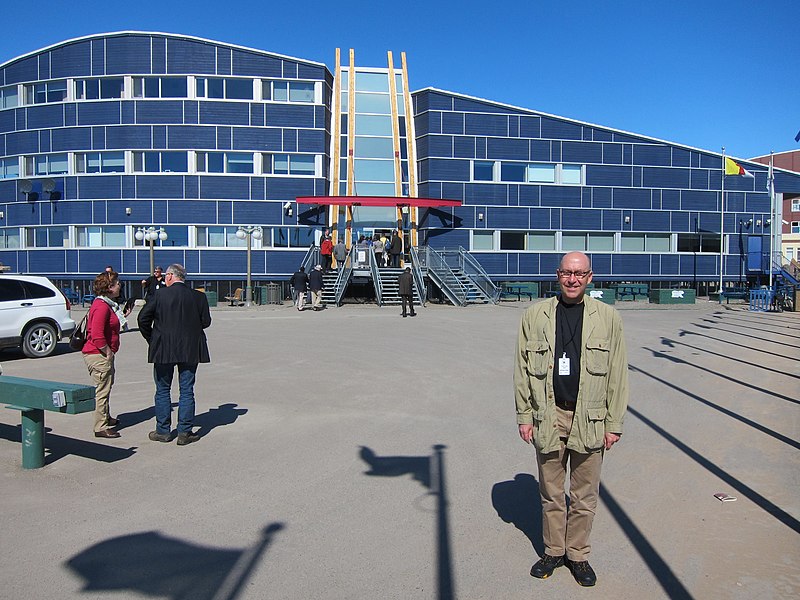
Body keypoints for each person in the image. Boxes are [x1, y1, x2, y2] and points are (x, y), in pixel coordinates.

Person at [513, 251, 629, 587]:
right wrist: (525, 416)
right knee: (551, 493)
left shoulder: (608, 318)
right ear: (557, 275)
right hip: (548, 414)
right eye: (566, 272)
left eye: (579, 273)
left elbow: (618, 375)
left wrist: (614, 423)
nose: (573, 279)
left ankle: (577, 555)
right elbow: (521, 370)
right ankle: (553, 550)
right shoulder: (535, 316)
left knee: (584, 495)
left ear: (590, 277)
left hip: (590, 417)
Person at [138, 264, 211, 446]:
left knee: (163, 389)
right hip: (190, 348)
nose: (164, 278)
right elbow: (206, 322)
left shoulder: (159, 295)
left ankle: (163, 431)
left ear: (170, 276)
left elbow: (142, 318)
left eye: (165, 276)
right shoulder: (198, 296)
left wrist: (152, 338)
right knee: (187, 389)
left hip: (164, 347)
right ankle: (184, 432)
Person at [82, 270, 127, 439]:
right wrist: (107, 352)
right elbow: (97, 335)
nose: (119, 286)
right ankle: (100, 426)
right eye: (117, 284)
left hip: (100, 354)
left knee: (107, 386)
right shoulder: (101, 306)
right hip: (98, 354)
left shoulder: (107, 304)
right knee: (102, 390)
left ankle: (106, 417)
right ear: (109, 287)